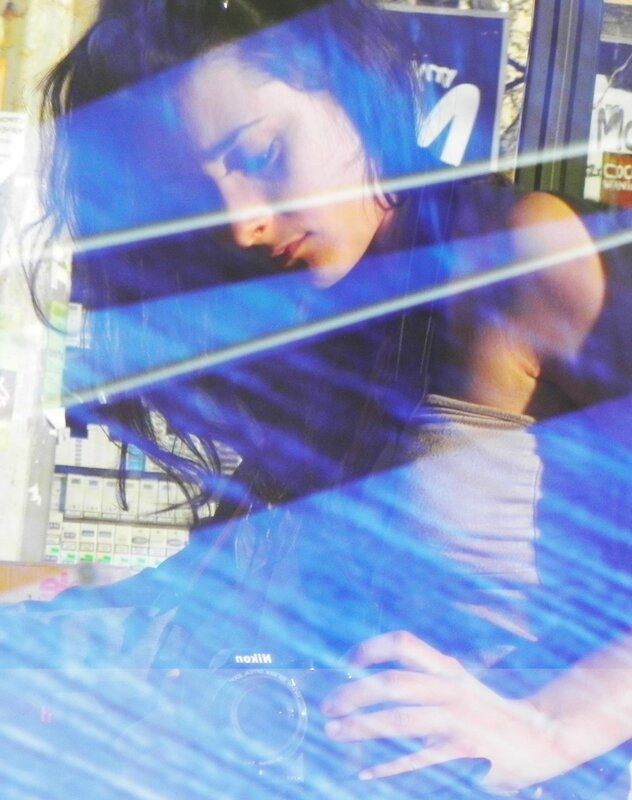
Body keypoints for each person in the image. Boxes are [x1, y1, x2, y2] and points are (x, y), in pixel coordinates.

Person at [13, 0, 632, 798]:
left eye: (262, 152)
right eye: (196, 197)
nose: (243, 224)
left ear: (350, 87)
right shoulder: (312, 312)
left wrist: (549, 727)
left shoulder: (520, 251)